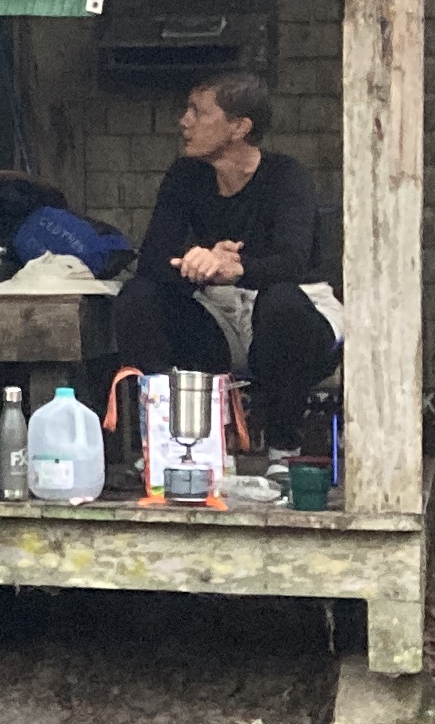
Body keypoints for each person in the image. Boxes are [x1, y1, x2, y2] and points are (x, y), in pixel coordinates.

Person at [109, 70, 344, 453]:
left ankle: (284, 447)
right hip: (218, 314)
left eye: (198, 113)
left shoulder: (286, 176)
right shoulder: (185, 176)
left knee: (281, 302)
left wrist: (238, 267)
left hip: (293, 317)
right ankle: (168, 443)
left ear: (239, 127)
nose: (184, 122)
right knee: (138, 297)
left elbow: (293, 261)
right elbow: (153, 260)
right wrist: (196, 264)